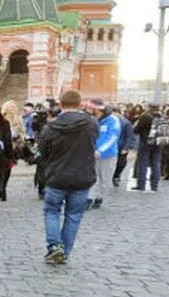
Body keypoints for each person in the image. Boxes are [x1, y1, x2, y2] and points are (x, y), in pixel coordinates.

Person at [38, 90, 98, 264]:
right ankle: (65, 251)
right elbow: (94, 142)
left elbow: (43, 152)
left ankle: (54, 246)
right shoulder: (91, 123)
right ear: (80, 104)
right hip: (82, 177)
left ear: (60, 104)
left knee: (51, 212)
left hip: (57, 176)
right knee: (73, 215)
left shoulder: (50, 127)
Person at [87, 99, 120, 210]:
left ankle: (99, 197)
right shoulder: (92, 119)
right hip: (92, 153)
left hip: (108, 155)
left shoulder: (113, 120)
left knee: (103, 178)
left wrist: (100, 150)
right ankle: (89, 198)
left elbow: (113, 137)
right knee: (92, 177)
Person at [133, 104, 164, 192]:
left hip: (146, 142)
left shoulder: (146, 116)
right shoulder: (162, 116)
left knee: (143, 163)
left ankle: (141, 184)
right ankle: (154, 186)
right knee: (156, 163)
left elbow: (136, 130)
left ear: (149, 108)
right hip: (158, 143)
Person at [112, 107, 134, 187]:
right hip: (111, 146)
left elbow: (129, 136)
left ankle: (116, 176)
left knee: (121, 163)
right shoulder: (109, 122)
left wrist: (126, 148)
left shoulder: (126, 123)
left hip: (121, 146)